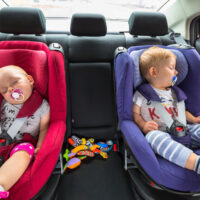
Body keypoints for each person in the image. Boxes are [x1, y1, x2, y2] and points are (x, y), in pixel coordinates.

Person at [133, 46, 200, 175]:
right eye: (171, 68)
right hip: (160, 132)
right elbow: (135, 113)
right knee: (153, 138)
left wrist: (194, 119)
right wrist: (143, 125)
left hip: (183, 131)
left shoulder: (174, 93)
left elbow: (182, 112)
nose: (176, 72)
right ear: (154, 72)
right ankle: (196, 163)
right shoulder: (142, 94)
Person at [0, 65, 50, 198]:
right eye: (4, 90)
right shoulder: (4, 103)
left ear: (29, 79)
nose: (10, 89)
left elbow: (44, 128)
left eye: (14, 82)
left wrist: (40, 146)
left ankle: (1, 184)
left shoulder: (43, 106)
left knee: (23, 154)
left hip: (21, 144)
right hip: (2, 140)